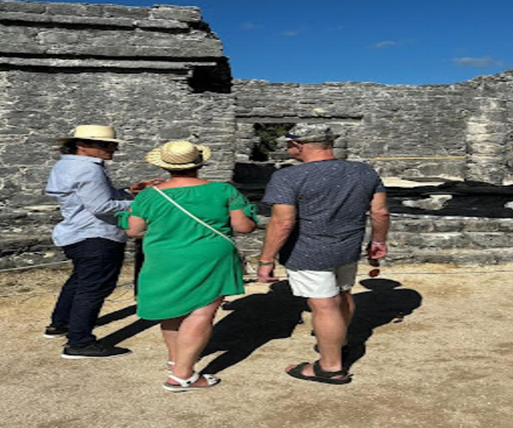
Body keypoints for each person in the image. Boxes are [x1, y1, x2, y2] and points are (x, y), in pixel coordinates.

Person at [257, 123, 390, 385]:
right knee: (343, 295)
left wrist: (266, 259)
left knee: (323, 305)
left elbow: (282, 222)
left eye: (288, 144)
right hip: (347, 247)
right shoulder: (364, 171)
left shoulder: (288, 177)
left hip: (307, 251)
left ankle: (330, 366)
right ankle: (338, 344)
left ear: (298, 145)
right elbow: (380, 212)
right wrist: (378, 240)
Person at [121, 140, 257, 392]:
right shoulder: (223, 191)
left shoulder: (149, 195)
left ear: (165, 166)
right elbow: (243, 227)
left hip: (163, 257)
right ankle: (183, 375)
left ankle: (176, 361)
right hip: (209, 255)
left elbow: (134, 230)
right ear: (200, 164)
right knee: (201, 312)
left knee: (171, 310)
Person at [45, 124, 162, 359]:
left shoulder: (66, 164)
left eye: (113, 144)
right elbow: (101, 206)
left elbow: (94, 198)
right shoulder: (89, 170)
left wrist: (129, 191)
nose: (113, 149)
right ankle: (79, 342)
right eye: (106, 145)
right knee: (94, 287)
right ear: (82, 145)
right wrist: (144, 202)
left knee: (80, 281)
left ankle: (61, 323)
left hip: (77, 232)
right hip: (97, 234)